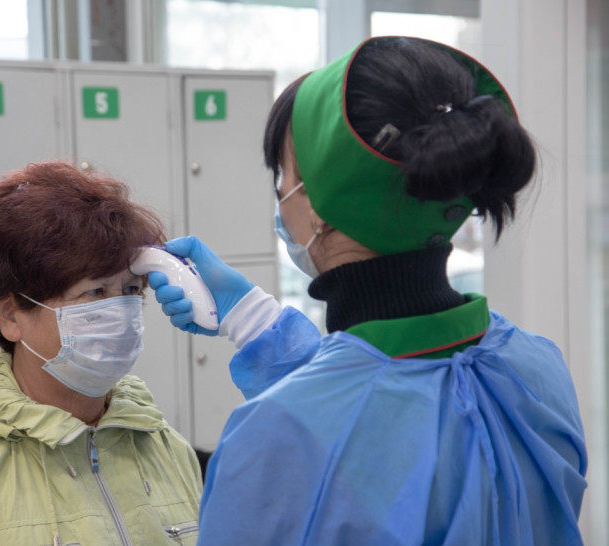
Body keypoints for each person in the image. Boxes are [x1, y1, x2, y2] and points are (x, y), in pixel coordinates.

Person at [147, 36, 587, 545]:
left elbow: (335, 431)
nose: (280, 191)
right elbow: (381, 415)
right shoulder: (536, 369)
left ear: (317, 204)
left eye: (283, 173)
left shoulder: (273, 435)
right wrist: (253, 320)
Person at [0, 161, 202, 545]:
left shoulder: (166, 447)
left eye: (131, 290)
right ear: (10, 315)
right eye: (95, 292)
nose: (121, 312)